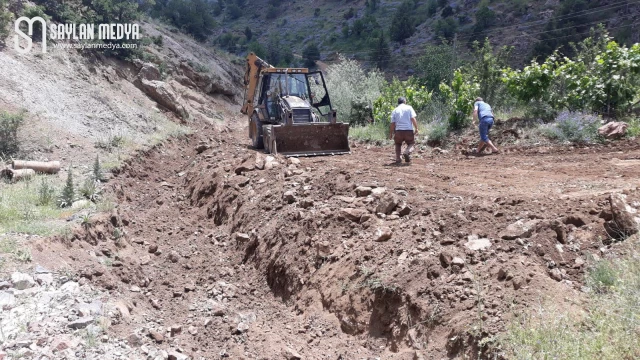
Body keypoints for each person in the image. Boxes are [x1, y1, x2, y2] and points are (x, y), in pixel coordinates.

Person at [389, 97, 419, 164]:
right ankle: (407, 152)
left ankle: (398, 158)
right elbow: (413, 119)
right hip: (408, 130)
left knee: (398, 144)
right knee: (411, 143)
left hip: (398, 131)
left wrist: (390, 133)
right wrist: (416, 128)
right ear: (404, 101)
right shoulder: (409, 108)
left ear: (398, 102)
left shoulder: (395, 110)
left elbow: (392, 123)